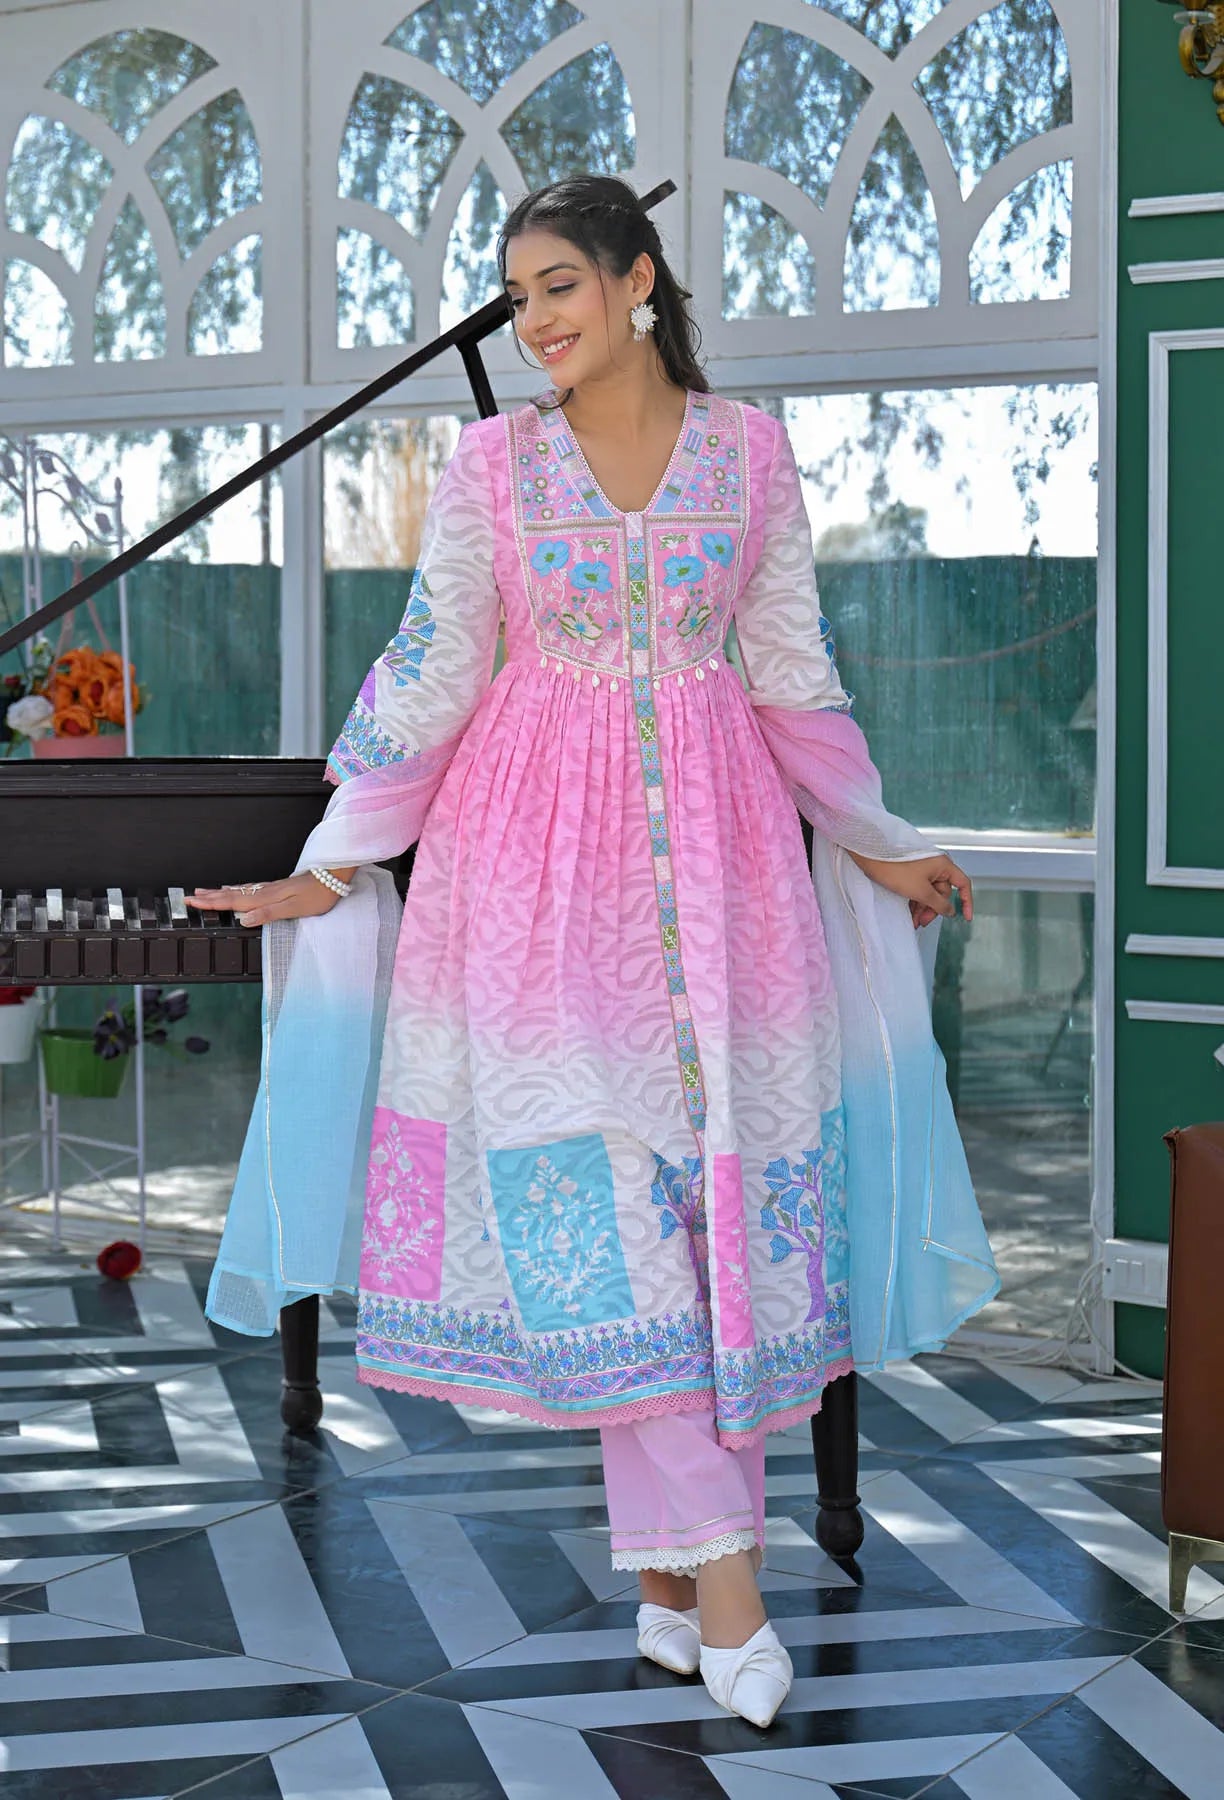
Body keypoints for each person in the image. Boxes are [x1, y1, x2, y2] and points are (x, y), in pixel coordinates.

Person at [188, 173, 998, 1729]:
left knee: (721, 1245)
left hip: (733, 884)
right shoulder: (492, 470)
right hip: (531, 895)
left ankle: (669, 1576)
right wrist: (335, 858)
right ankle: (738, 1586)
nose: (538, 320)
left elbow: (789, 677)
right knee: (613, 1228)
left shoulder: (753, 460)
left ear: (639, 279)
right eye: (517, 297)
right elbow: (428, 674)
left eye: (559, 284)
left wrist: (881, 833)